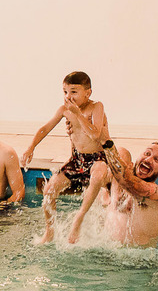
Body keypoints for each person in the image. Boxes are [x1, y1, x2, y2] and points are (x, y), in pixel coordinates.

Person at [20, 71, 110, 244]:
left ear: (88, 93)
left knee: (98, 175)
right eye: (65, 92)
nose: (68, 96)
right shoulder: (64, 110)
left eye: (74, 92)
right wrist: (31, 147)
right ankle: (50, 232)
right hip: (77, 159)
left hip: (98, 157)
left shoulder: (96, 107)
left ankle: (79, 218)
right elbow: (44, 128)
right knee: (48, 191)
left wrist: (77, 114)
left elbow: (95, 134)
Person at [96, 140, 158, 247]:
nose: (149, 159)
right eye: (147, 154)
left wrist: (105, 139)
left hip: (141, 260)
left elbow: (129, 183)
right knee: (123, 152)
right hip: (106, 252)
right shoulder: (111, 189)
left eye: (156, 159)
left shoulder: (157, 196)